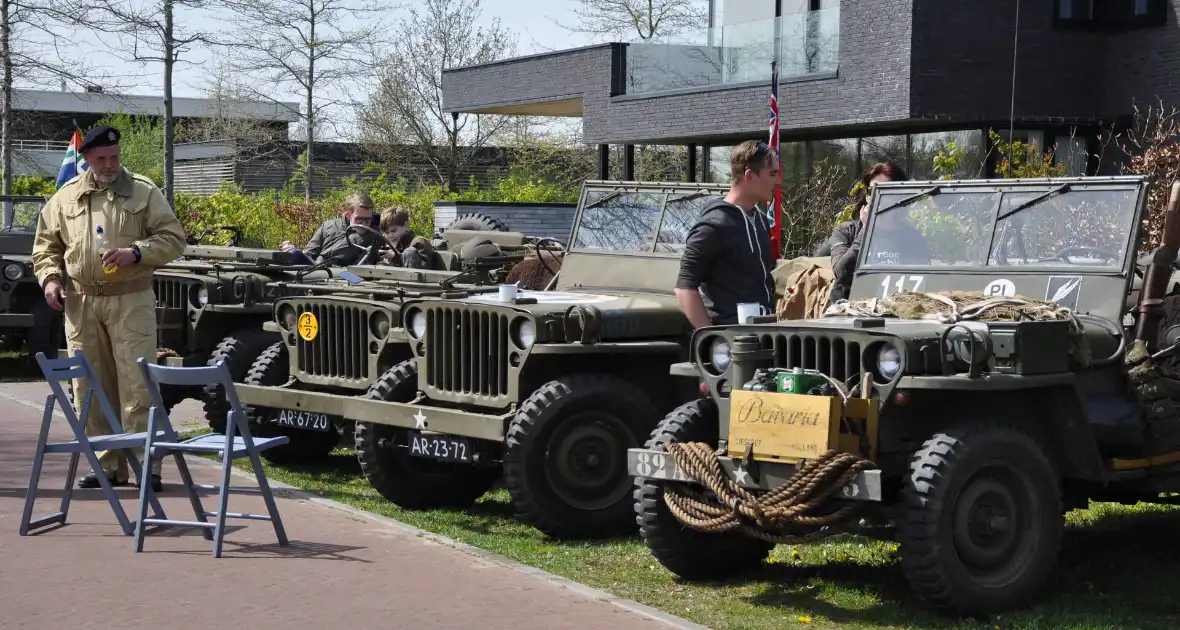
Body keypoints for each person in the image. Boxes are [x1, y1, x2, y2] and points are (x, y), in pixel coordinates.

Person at [31, 125, 188, 491]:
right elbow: (45, 247)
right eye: (101, 159)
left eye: (114, 157)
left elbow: (173, 238)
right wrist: (51, 279)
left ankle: (147, 465)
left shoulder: (144, 191)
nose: (109, 165)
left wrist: (136, 253)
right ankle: (107, 465)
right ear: (85, 159)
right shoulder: (65, 197)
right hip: (81, 303)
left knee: (138, 384)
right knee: (88, 384)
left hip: (131, 299)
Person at [674, 139, 778, 328]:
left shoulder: (761, 220)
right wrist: (710, 338)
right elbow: (684, 287)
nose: (777, 181)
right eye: (772, 174)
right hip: (730, 342)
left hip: (764, 336)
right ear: (750, 176)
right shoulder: (715, 224)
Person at [827, 161, 909, 304]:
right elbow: (842, 274)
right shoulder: (846, 232)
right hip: (847, 312)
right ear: (867, 196)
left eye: (885, 191)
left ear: (899, 197)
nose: (878, 198)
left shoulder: (911, 238)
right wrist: (867, 230)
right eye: (873, 191)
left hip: (893, 312)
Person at [280, 191, 381, 266]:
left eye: (368, 219)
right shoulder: (329, 226)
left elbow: (362, 270)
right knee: (292, 254)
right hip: (315, 270)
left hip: (343, 276)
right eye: (359, 219)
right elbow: (309, 253)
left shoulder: (374, 237)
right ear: (348, 215)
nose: (364, 223)